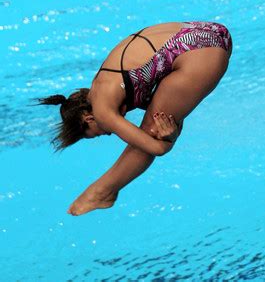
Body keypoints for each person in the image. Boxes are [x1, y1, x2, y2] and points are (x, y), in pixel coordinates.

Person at [37, 21, 232, 216]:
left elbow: (155, 147)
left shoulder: (102, 111)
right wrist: (170, 132)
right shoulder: (106, 86)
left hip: (201, 51)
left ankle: (101, 192)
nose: (105, 133)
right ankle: (102, 192)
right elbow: (173, 113)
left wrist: (167, 143)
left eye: (95, 135)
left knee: (152, 131)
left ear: (88, 119)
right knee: (160, 123)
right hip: (209, 33)